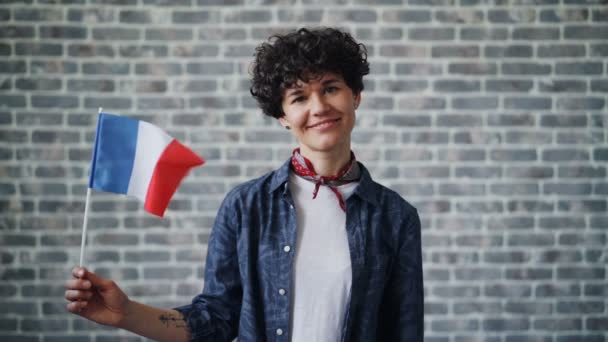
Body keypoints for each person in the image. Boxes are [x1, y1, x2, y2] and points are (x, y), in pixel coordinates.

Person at [65, 27, 424, 342]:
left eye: (331, 88)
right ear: (283, 116)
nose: (319, 107)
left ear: (355, 96)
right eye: (299, 97)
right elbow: (216, 320)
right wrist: (127, 313)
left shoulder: (396, 217)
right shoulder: (245, 205)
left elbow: (404, 332)